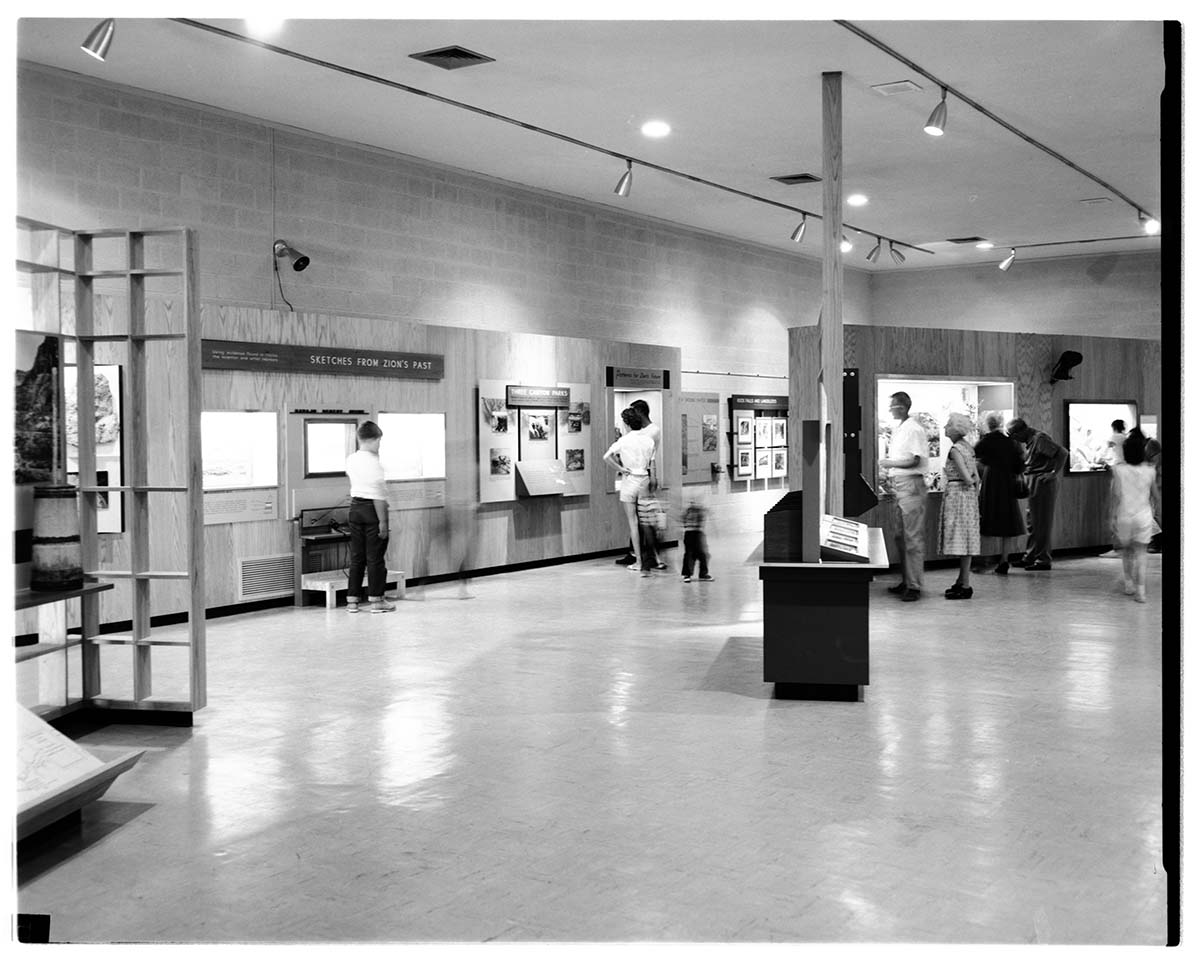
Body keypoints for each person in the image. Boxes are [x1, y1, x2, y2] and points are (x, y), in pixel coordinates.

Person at [879, 391, 928, 602]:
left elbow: (915, 460)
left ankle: (914, 585)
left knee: (912, 537)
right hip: (900, 485)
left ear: (901, 407)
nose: (890, 410)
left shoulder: (913, 429)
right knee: (900, 536)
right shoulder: (902, 428)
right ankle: (907, 580)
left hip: (911, 485)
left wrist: (889, 463)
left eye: (892, 406)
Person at [345, 420, 395, 613]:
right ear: (374, 440)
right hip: (372, 511)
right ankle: (377, 600)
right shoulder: (375, 463)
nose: (379, 445)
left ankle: (352, 601)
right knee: (375, 558)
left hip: (355, 509)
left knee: (357, 557)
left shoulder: (351, 459)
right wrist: (383, 522)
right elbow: (378, 496)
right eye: (379, 441)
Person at [1006, 418, 1069, 570]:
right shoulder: (1029, 441)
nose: (1013, 439)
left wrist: (1053, 473)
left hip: (1042, 482)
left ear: (1022, 431)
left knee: (1041, 523)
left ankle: (1043, 559)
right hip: (1032, 480)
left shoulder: (1039, 439)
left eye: (1013, 435)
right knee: (1032, 522)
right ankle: (1030, 556)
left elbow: (1063, 453)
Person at [602, 407, 656, 574]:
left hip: (630, 480)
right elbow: (652, 463)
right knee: (645, 522)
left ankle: (638, 561)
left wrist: (620, 469)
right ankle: (653, 558)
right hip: (644, 479)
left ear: (626, 423)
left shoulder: (624, 440)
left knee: (633, 523)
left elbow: (606, 457)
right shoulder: (649, 440)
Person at [615, 399, 666, 567]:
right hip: (637, 475)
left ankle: (647, 556)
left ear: (640, 412)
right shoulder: (640, 432)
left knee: (644, 518)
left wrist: (653, 476)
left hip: (642, 476)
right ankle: (638, 554)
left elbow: (649, 456)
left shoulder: (652, 431)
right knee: (639, 518)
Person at [974, 412, 1026, 574]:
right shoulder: (1011, 442)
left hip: (991, 482)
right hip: (1008, 484)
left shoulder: (985, 441)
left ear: (987, 425)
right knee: (1007, 523)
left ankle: (984, 558)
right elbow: (1020, 465)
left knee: (986, 519)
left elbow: (974, 458)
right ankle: (1004, 559)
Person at [1110, 428, 1157, 603]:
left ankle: (1129, 584)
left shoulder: (1119, 470)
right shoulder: (1150, 470)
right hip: (1144, 515)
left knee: (1127, 552)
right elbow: (1156, 496)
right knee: (1141, 553)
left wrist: (1112, 516)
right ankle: (1141, 592)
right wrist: (1154, 510)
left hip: (1124, 515)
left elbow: (1116, 496)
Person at [939, 413, 981, 599]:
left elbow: (966, 477)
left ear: (955, 429)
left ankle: (964, 584)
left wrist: (965, 481)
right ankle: (962, 580)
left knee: (960, 538)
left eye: (948, 425)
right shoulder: (968, 448)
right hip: (969, 497)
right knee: (967, 539)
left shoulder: (955, 450)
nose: (945, 428)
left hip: (957, 495)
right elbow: (976, 478)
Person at [680, 498, 713, 582]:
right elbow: (683, 519)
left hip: (697, 533)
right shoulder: (688, 510)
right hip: (690, 533)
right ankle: (687, 574)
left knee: (702, 554)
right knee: (689, 554)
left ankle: (702, 574)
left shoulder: (699, 511)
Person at [1144, 436, 1163, 554]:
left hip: (1157, 489)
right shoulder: (1157, 456)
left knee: (1156, 516)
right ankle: (1156, 543)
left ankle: (1157, 543)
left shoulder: (1155, 458)